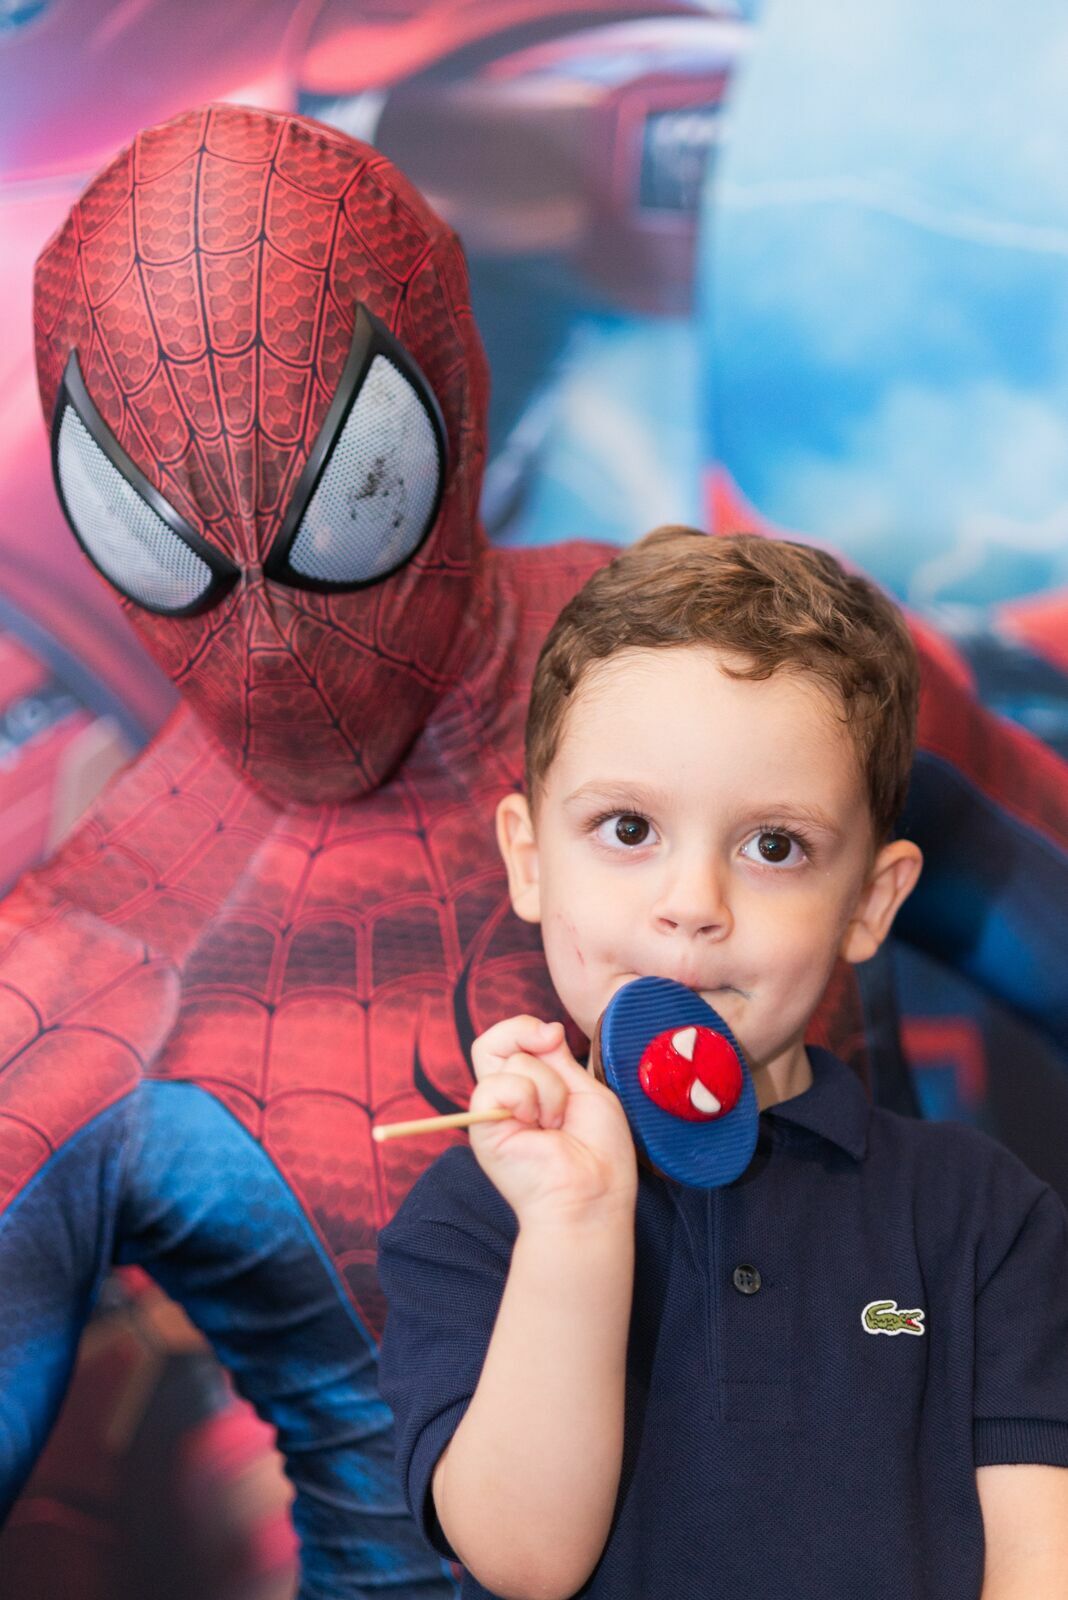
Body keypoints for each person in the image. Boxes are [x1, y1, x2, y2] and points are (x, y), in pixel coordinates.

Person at [377, 527, 1068, 1600]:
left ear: (870, 903)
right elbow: (524, 1559)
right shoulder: (477, 1216)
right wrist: (576, 1225)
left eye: (774, 846)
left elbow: (1038, 1559)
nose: (693, 905)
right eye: (628, 827)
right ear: (530, 860)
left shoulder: (983, 1216)